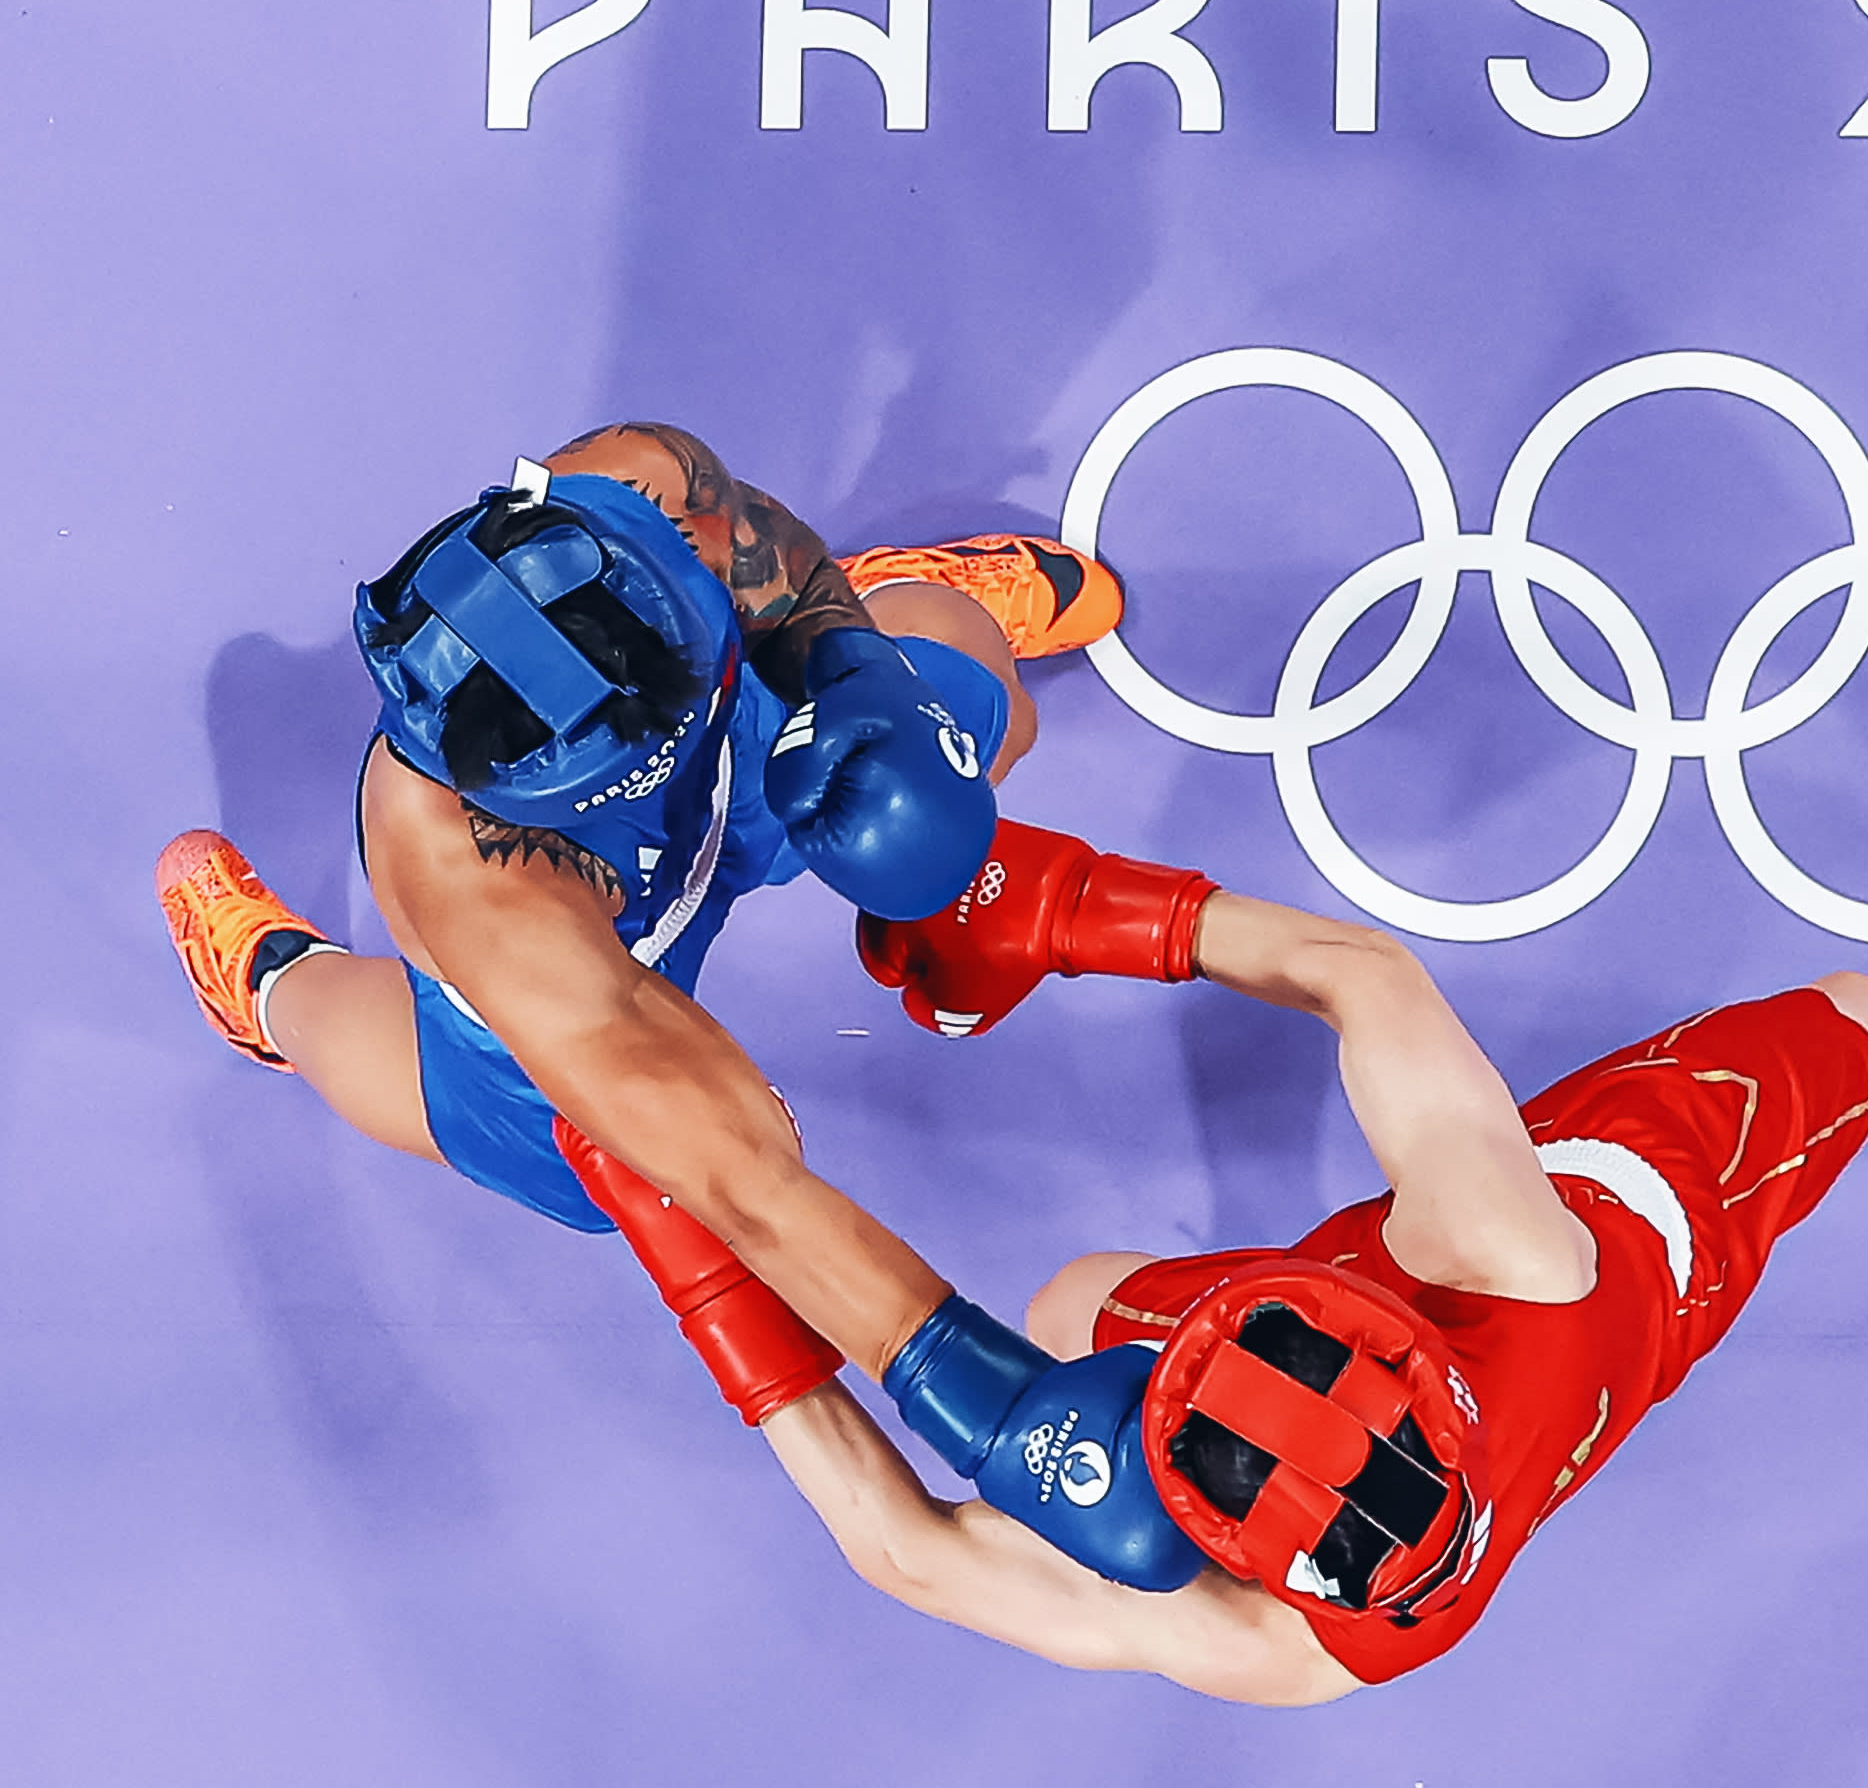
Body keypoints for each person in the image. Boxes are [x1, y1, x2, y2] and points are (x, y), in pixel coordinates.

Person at [565, 817, 1868, 1704]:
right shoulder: (1498, 1248)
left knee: (1072, 1305)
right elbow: (1364, 977)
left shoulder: (1294, 1649)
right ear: (1382, 1335)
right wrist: (1055, 907)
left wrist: (696, 1267)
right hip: (1653, 1215)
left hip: (1408, 1369)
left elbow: (906, 1555)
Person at [153, 421, 1136, 1380]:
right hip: (603, 929)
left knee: (975, 715)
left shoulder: (629, 491)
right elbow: (751, 1190)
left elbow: (769, 555)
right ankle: (272, 980)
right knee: (586, 1168)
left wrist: (857, 667)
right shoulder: (490, 905)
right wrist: (981, 1394)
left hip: (734, 748)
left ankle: (888, 601)